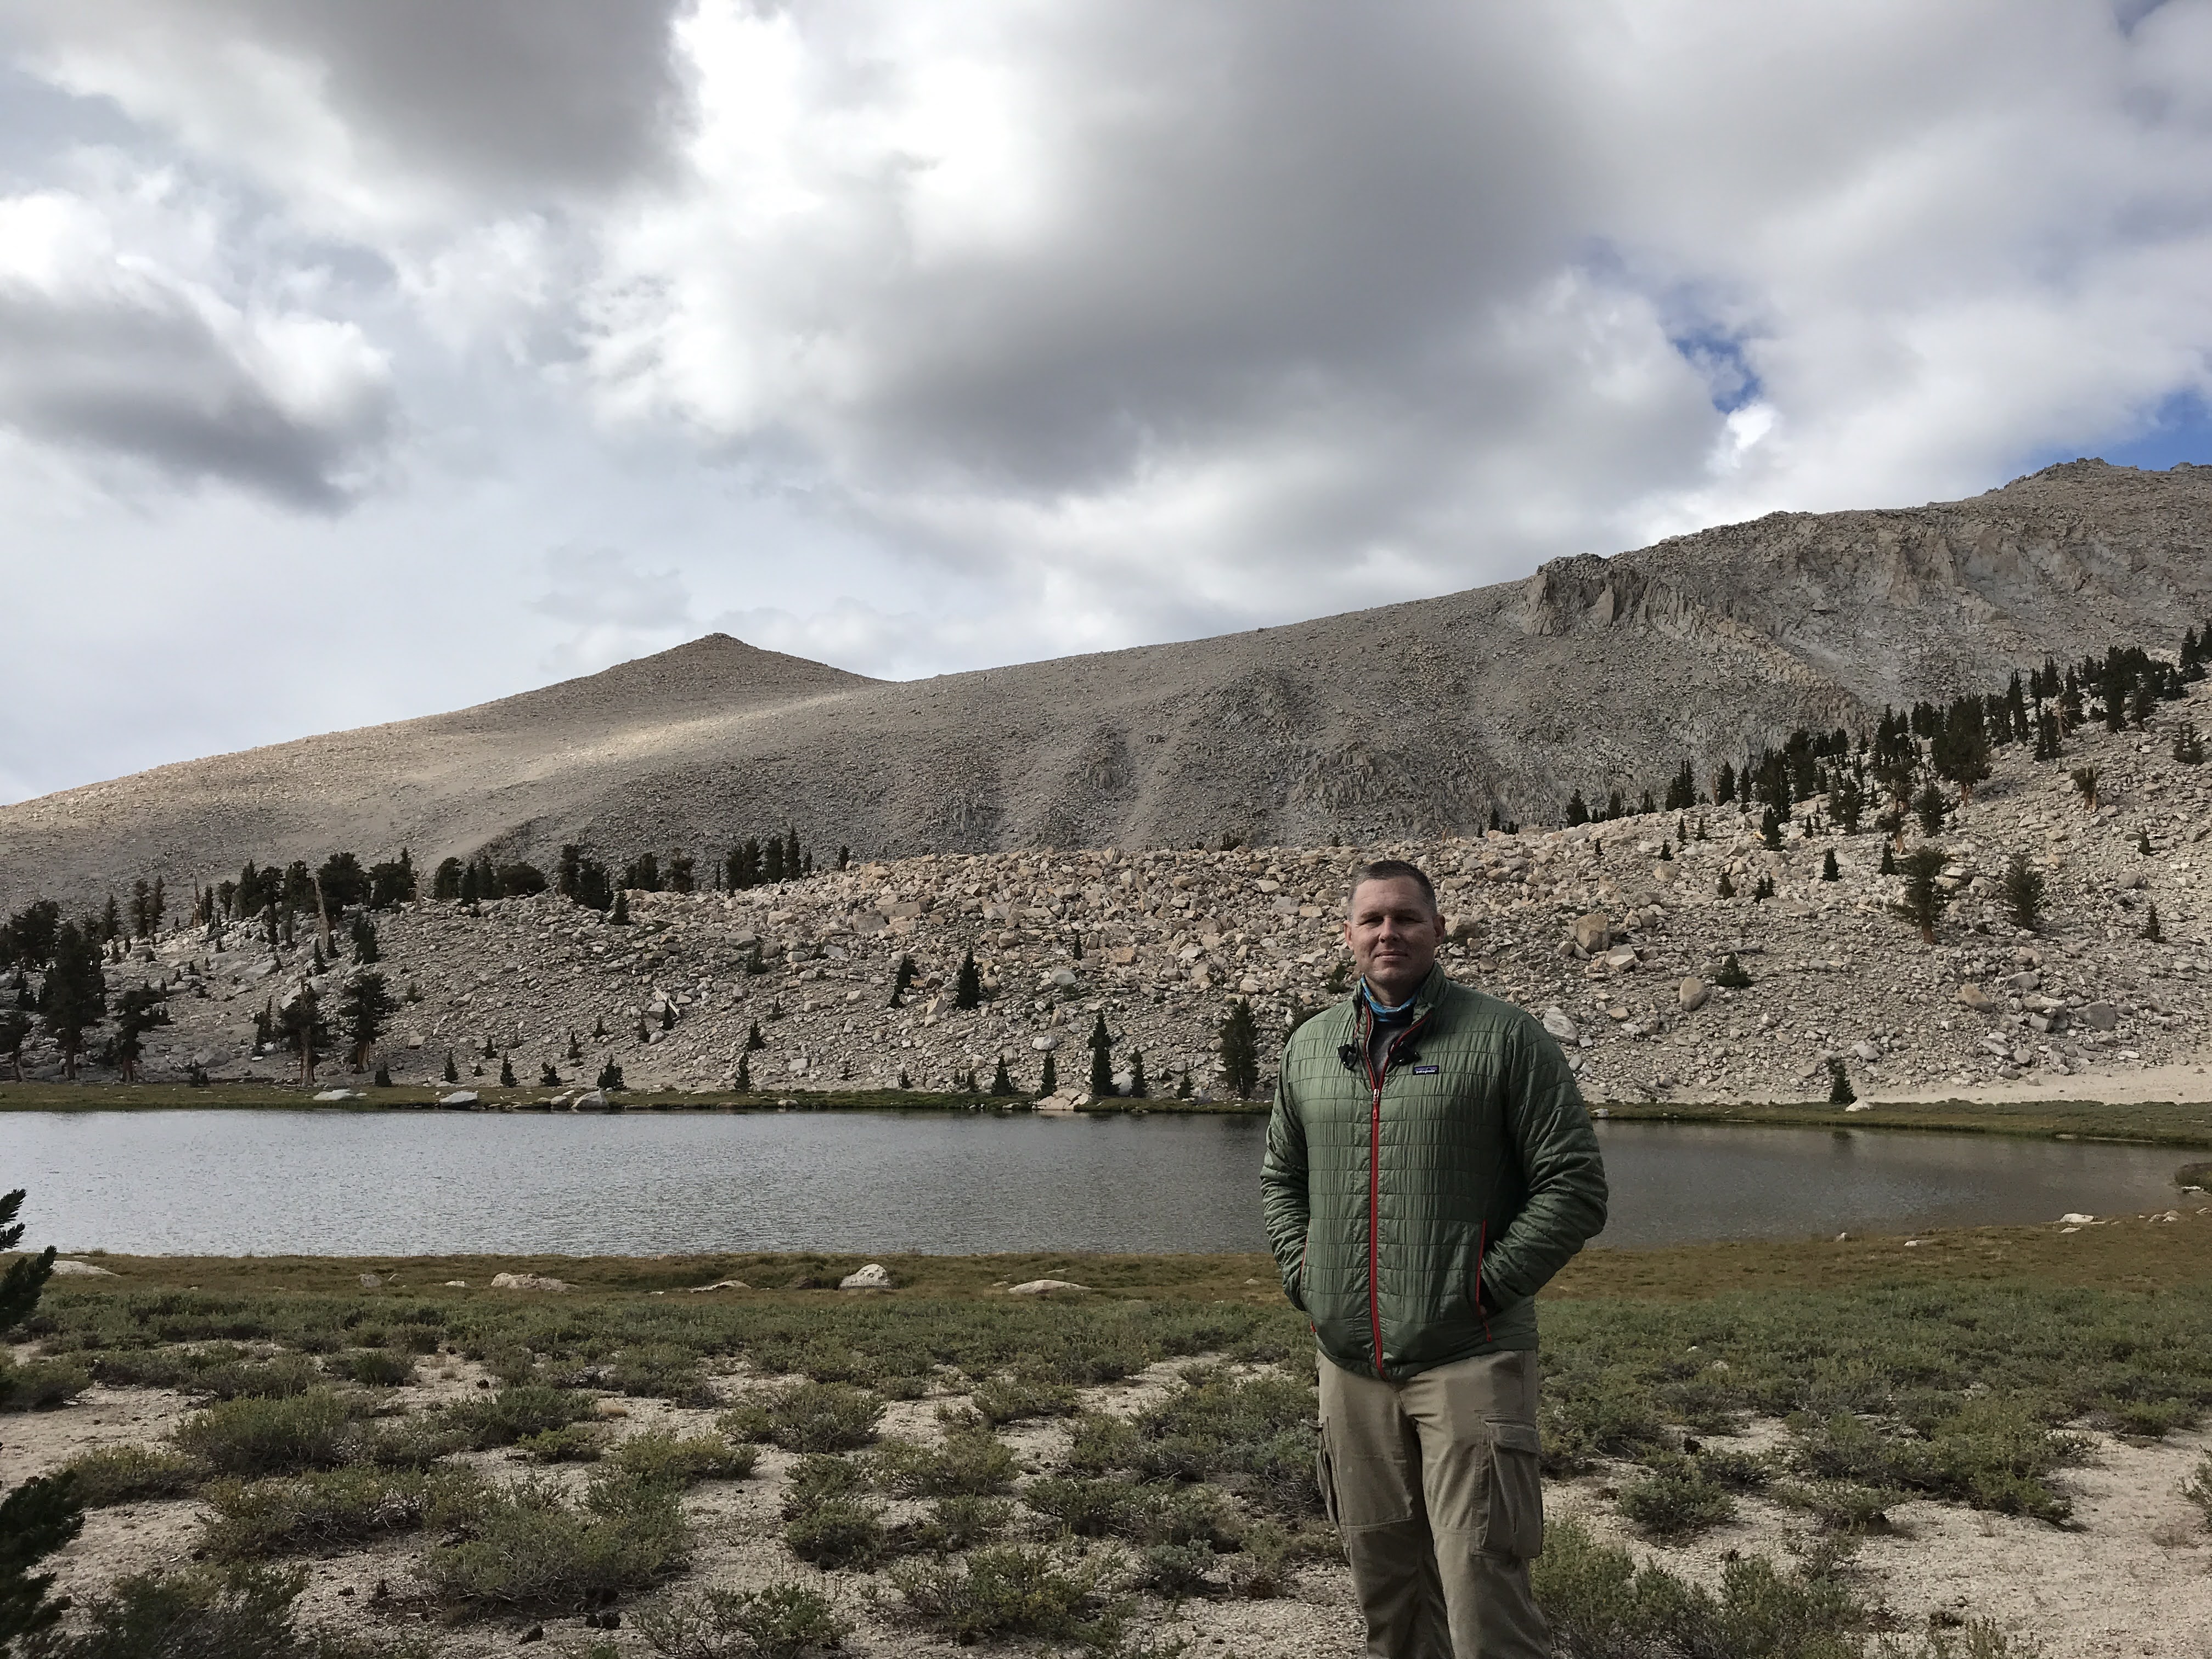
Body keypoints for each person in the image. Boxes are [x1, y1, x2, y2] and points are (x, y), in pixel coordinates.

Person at [1261, 858, 1607, 1658]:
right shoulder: (1311, 1045)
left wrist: (1481, 1290)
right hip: (1349, 1365)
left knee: (1483, 1597)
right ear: (1348, 934)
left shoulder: (1505, 1037)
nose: (1390, 932)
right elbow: (1282, 1177)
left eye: (1407, 917)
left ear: (1439, 930)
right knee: (1388, 1596)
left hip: (1470, 1357)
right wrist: (1308, 1278)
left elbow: (1574, 1187)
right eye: (1373, 919)